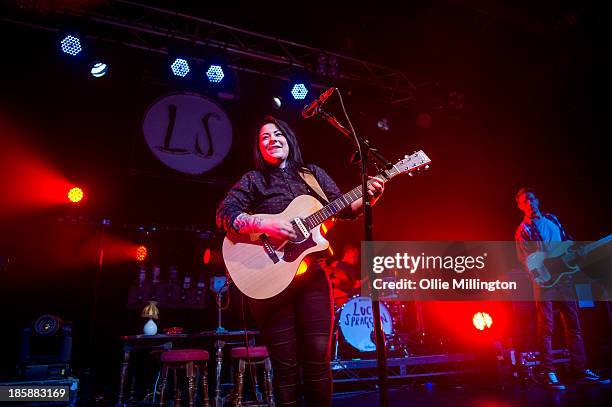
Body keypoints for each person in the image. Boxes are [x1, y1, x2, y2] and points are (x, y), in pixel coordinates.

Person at [216, 115, 384, 406]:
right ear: (260, 148)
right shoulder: (253, 180)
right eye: (265, 137)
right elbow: (224, 214)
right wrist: (264, 225)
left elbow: (344, 208)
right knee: (286, 368)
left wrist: (370, 195)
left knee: (318, 363)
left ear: (289, 140)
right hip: (269, 282)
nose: (273, 139)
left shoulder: (312, 174)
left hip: (313, 278)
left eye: (278, 134)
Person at [514, 187, 609, 390]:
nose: (529, 203)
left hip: (564, 279)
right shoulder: (523, 230)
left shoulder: (553, 219)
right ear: (520, 206)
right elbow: (527, 261)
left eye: (531, 199)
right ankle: (549, 372)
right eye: (524, 202)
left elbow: (566, 241)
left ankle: (579, 370)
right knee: (546, 327)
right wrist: (545, 269)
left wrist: (576, 250)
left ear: (537, 200)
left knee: (573, 326)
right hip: (544, 283)